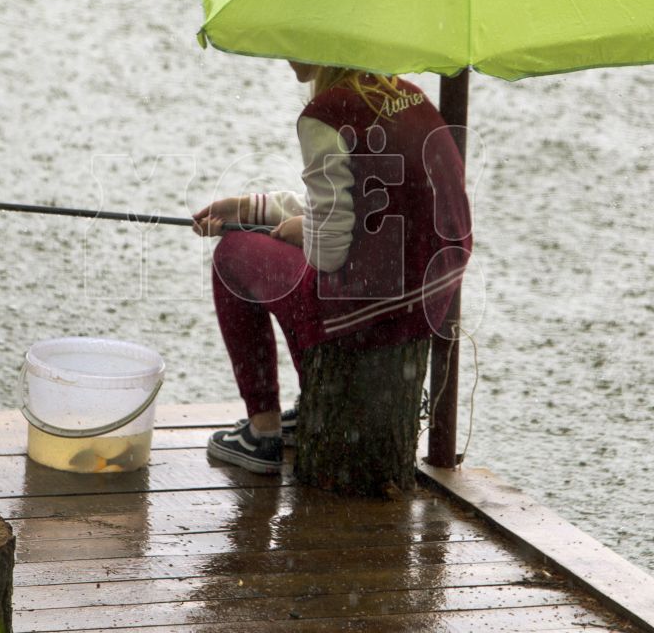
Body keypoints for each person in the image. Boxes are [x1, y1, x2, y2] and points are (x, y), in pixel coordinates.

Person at [192, 61, 472, 474]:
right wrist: (250, 209)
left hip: (371, 312)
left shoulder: (325, 114)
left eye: (293, 40)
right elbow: (362, 205)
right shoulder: (408, 94)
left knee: (232, 254)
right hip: (429, 298)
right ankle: (310, 410)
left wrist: (295, 231)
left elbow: (327, 253)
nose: (285, 55)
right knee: (280, 260)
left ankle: (262, 431)